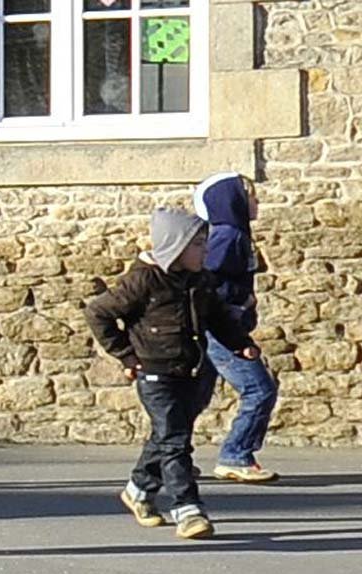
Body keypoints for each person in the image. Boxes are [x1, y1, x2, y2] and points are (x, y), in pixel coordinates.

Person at [84, 208, 259, 541]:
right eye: (197, 246)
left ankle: (137, 490)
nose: (205, 252)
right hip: (154, 373)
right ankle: (187, 509)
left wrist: (241, 344)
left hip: (190, 369)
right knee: (175, 441)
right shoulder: (143, 280)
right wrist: (126, 354)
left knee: (168, 436)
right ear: (175, 247)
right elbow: (99, 313)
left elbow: (218, 318)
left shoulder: (200, 280)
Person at [193, 172, 280, 483]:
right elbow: (206, 282)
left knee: (194, 397)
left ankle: (168, 458)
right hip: (221, 332)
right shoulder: (228, 236)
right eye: (250, 197)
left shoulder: (233, 234)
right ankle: (236, 455)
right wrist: (235, 309)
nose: (256, 203)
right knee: (260, 390)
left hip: (217, 329)